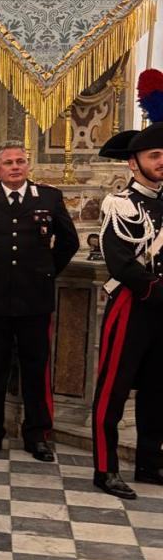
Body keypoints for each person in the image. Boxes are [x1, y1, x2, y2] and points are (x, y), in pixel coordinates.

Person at [0, 142, 79, 462]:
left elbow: (70, 241)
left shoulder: (49, 198)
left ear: (28, 167)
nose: (15, 167)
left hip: (35, 301)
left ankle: (37, 434)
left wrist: (46, 272)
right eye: (8, 163)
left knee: (35, 369)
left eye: (20, 162)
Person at [90, 118, 163, 499]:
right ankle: (105, 468)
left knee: (157, 390)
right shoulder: (119, 203)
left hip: (161, 314)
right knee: (113, 390)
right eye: (154, 155)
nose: (162, 161)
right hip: (133, 306)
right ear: (133, 163)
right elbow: (120, 263)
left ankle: (150, 463)